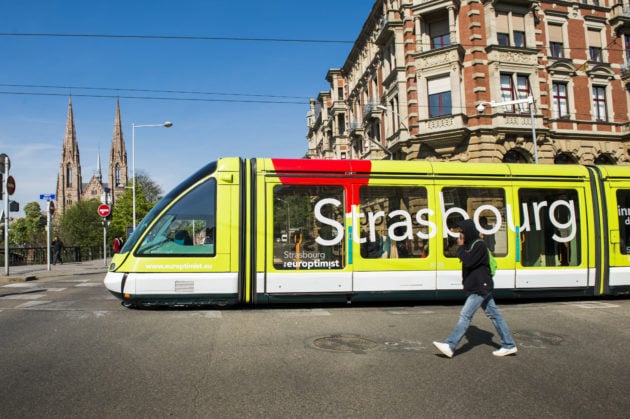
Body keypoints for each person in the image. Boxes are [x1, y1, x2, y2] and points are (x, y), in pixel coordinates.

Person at [433, 219, 517, 358]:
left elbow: (469, 261)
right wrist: (462, 247)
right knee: (495, 316)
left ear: (469, 232)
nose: (460, 235)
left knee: (465, 315)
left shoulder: (479, 245)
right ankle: (509, 345)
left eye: (462, 232)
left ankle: (450, 345)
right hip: (480, 286)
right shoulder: (471, 245)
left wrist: (460, 247)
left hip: (480, 287)